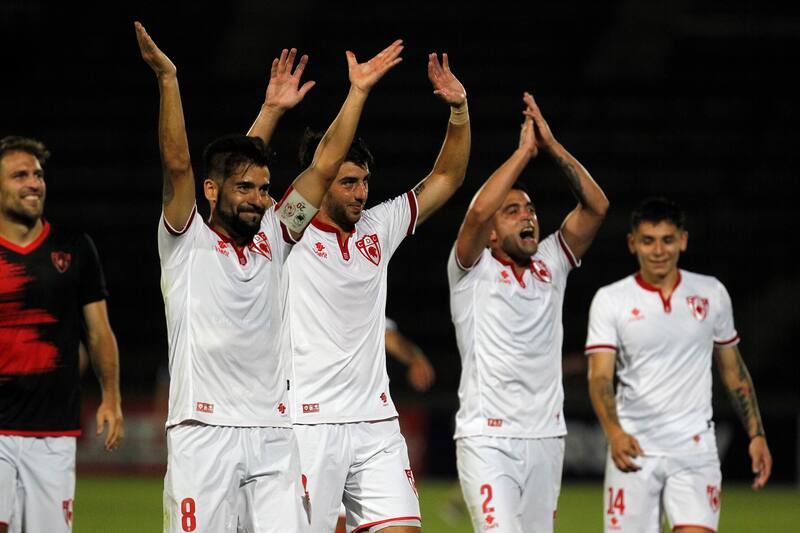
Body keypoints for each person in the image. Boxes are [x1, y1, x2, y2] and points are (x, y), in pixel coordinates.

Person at [135, 21, 403, 532]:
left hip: (274, 433)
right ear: (212, 192)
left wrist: (358, 93)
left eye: (265, 190)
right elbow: (179, 164)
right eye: (248, 191)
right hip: (203, 429)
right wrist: (168, 80)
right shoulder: (186, 241)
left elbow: (323, 167)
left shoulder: (277, 239)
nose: (261, 198)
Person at [282, 52, 470, 533]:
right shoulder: (287, 234)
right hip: (308, 424)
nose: (361, 192)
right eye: (347, 182)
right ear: (320, 185)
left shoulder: (377, 227)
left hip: (376, 422)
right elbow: (322, 161)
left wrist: (459, 112)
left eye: (365, 181)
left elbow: (446, 178)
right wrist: (358, 92)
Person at [447, 92, 608, 533]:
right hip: (487, 437)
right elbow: (478, 211)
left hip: (546, 437)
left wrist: (552, 148)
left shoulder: (551, 262)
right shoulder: (470, 270)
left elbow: (597, 207)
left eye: (531, 209)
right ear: (494, 234)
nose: (527, 217)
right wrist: (523, 155)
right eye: (513, 211)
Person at [585, 197, 772, 533]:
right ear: (633, 244)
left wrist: (756, 434)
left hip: (694, 447)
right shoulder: (611, 299)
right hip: (634, 448)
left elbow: (733, 370)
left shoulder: (711, 293)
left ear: (682, 240)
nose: (659, 250)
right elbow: (600, 376)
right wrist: (614, 432)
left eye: (667, 240)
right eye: (648, 240)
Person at [0, 136, 123, 533]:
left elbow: (99, 331)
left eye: (38, 174)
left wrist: (112, 397)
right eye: (20, 175)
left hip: (54, 432)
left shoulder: (73, 249)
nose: (33, 183)